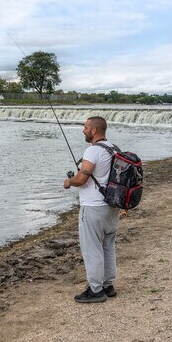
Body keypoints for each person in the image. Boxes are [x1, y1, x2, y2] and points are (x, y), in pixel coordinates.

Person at [63, 116, 121, 303]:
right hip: (112, 207)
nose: (83, 130)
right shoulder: (114, 149)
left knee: (92, 249)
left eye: (86, 127)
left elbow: (82, 179)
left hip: (94, 208)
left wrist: (69, 182)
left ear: (94, 130)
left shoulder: (93, 151)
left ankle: (95, 290)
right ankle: (108, 285)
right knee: (108, 247)